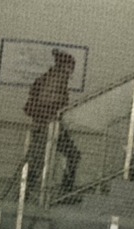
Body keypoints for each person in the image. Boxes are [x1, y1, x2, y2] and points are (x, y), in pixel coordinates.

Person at [25, 51, 81, 195]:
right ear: (64, 66)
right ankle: (64, 190)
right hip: (48, 128)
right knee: (41, 160)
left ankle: (27, 190)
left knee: (40, 160)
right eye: (70, 67)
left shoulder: (52, 79)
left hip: (50, 127)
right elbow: (47, 104)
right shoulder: (54, 81)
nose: (71, 71)